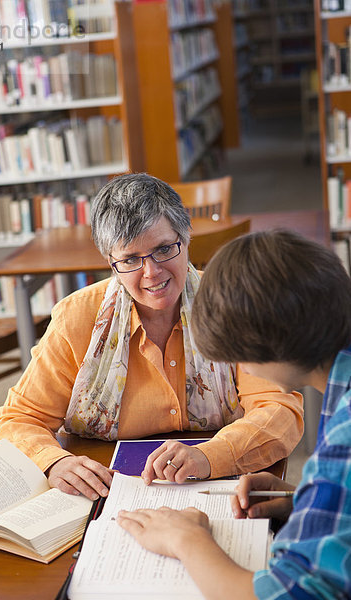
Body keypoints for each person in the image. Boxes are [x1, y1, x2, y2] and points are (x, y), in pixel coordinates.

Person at [0, 174, 303, 502]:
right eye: (129, 260)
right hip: (104, 491)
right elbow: (17, 420)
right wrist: (54, 462)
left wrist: (212, 455)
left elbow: (280, 409)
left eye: (163, 249)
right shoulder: (77, 318)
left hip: (215, 482)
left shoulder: (233, 304)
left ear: (186, 238)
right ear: (111, 263)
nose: (151, 273)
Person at [117, 229, 351, 599]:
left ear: (273, 345)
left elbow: (285, 594)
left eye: (237, 356)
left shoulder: (345, 442)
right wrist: (305, 499)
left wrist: (187, 540)